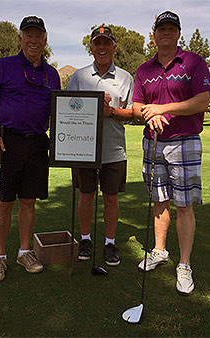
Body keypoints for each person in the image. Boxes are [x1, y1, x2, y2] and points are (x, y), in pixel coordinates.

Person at [133, 11, 210, 295]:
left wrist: (161, 109)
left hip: (185, 141)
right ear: (153, 34)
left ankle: (184, 264)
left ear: (178, 33)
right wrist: (148, 115)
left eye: (171, 28)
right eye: (161, 29)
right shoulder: (144, 70)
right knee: (159, 200)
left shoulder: (193, 62)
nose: (165, 33)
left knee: (184, 204)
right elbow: (135, 106)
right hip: (153, 141)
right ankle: (159, 251)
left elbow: (201, 101)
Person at [0, 16, 61, 282]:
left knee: (29, 201)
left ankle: (24, 251)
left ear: (45, 40)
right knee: (5, 203)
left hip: (38, 143)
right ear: (20, 38)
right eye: (29, 35)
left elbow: (58, 112)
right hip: (7, 142)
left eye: (39, 35)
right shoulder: (3, 66)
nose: (34, 40)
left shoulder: (52, 74)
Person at [67, 26, 134, 266]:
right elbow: (66, 109)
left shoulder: (126, 78)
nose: (102, 47)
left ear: (114, 47)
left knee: (111, 198)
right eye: (98, 43)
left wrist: (111, 111)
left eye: (107, 43)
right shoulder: (79, 76)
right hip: (83, 150)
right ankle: (85, 239)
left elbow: (133, 113)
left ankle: (109, 242)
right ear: (91, 48)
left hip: (114, 150)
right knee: (86, 195)